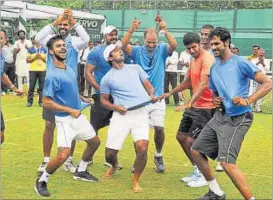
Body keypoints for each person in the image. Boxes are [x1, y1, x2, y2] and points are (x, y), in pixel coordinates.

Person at [191, 27, 272, 200]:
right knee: (196, 150)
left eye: (217, 44)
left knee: (227, 163)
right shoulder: (214, 68)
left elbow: (267, 83)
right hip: (221, 116)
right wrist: (216, 100)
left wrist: (248, 100)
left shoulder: (240, 63)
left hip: (239, 117)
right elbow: (215, 94)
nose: (214, 47)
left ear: (227, 42)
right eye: (212, 44)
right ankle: (216, 192)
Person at [34, 36, 100, 197]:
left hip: (78, 118)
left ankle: (81, 171)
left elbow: (70, 91)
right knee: (63, 155)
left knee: (95, 142)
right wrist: (69, 110)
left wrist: (82, 98)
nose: (63, 48)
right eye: (58, 46)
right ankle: (42, 181)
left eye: (64, 45)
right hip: (65, 120)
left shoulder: (69, 69)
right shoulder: (52, 75)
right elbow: (46, 102)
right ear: (51, 51)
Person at [35, 9, 89, 174]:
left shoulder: (73, 41)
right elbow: (37, 38)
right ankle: (46, 160)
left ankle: (69, 160)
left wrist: (74, 22)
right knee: (49, 124)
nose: (63, 26)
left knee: (71, 126)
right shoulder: (51, 41)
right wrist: (55, 22)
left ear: (70, 27)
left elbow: (86, 39)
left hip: (70, 89)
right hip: (53, 88)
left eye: (66, 24)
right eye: (62, 24)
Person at [122, 18, 177, 172]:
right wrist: (131, 29)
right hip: (139, 100)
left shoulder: (162, 49)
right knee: (139, 132)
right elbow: (123, 45)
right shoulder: (137, 51)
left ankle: (158, 155)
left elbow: (174, 45)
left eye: (154, 42)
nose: (152, 45)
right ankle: (138, 159)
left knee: (159, 129)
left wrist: (165, 30)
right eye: (149, 42)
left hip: (157, 98)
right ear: (143, 40)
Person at [161, 32, 215, 188]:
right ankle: (197, 169)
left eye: (194, 47)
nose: (191, 51)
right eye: (188, 48)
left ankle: (205, 176)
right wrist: (170, 92)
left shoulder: (207, 59)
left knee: (193, 141)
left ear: (199, 44)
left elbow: (204, 84)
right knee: (181, 137)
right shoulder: (193, 60)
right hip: (194, 106)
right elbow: (188, 81)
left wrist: (190, 102)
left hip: (206, 107)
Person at [100, 43, 157, 193]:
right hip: (121, 116)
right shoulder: (107, 78)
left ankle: (136, 180)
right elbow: (103, 101)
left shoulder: (135, 68)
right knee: (110, 154)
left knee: (142, 148)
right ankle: (114, 166)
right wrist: (116, 107)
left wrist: (151, 95)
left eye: (120, 50)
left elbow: (148, 86)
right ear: (110, 57)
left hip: (141, 114)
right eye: (116, 51)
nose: (120, 52)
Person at [85, 25, 125, 169]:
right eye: (110, 35)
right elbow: (88, 73)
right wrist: (100, 89)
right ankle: (87, 157)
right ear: (104, 36)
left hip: (118, 97)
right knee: (93, 128)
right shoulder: (95, 52)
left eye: (115, 34)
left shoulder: (121, 51)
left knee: (116, 128)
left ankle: (111, 159)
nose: (113, 37)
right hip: (101, 97)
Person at [0, 30, 24, 144]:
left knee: (1, 136)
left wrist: (14, 87)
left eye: (1, 38)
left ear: (5, 40)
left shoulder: (1, 56)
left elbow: (1, 74)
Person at [26, 36, 47, 107]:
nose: (37, 41)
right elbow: (27, 60)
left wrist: (41, 57)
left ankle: (41, 101)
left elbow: (47, 60)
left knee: (42, 87)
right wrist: (35, 57)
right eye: (36, 39)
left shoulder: (44, 49)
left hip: (42, 70)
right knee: (31, 86)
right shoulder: (30, 50)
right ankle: (29, 101)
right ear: (33, 40)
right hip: (33, 70)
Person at [249, 48, 270, 112]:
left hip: (263, 80)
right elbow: (252, 67)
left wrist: (263, 63)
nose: (261, 55)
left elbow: (267, 69)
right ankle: (249, 108)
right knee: (251, 92)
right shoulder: (253, 60)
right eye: (260, 53)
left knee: (260, 93)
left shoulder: (266, 60)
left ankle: (257, 108)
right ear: (258, 53)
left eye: (262, 54)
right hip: (254, 79)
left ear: (264, 54)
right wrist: (258, 62)